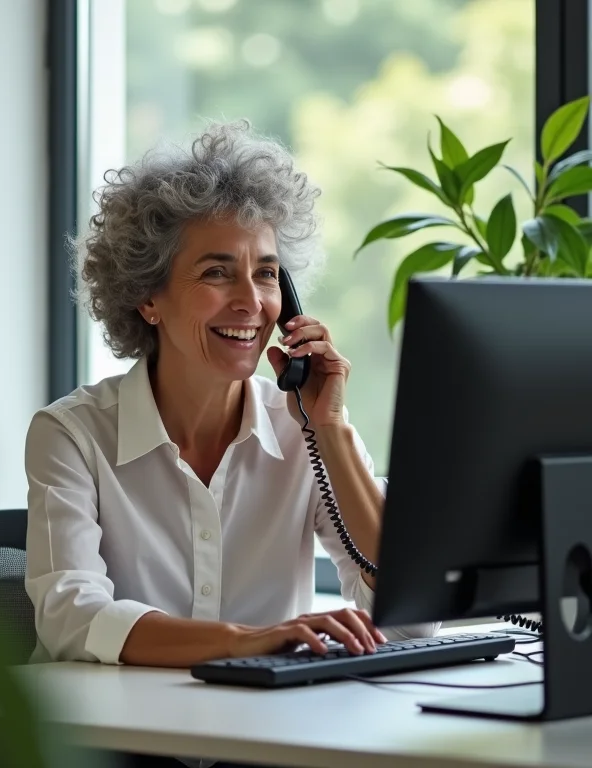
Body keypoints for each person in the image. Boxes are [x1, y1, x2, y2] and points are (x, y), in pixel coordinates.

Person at [24, 120, 439, 768]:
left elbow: (411, 617)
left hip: (264, 751)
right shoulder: (72, 433)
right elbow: (74, 618)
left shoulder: (302, 427)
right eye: (219, 273)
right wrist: (254, 640)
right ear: (148, 298)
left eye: (268, 274)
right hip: (115, 750)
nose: (252, 301)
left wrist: (327, 426)